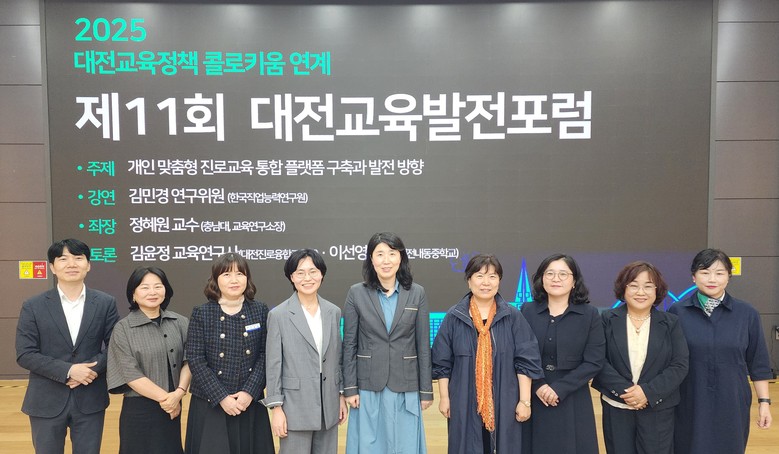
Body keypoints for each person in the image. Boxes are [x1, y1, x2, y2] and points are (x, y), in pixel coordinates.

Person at [15, 238, 119, 454]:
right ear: (52, 267)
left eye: (78, 258)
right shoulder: (33, 305)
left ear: (88, 265)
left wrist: (88, 371)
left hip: (90, 398)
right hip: (46, 399)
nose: (71, 264)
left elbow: (116, 347)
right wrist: (69, 370)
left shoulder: (105, 302)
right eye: (63, 259)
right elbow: (25, 353)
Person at [432, 254, 543, 454]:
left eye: (492, 276)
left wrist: (524, 401)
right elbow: (442, 362)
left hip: (505, 402)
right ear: (469, 281)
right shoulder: (454, 317)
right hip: (463, 401)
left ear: (499, 281)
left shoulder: (512, 316)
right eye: (480, 276)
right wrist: (445, 398)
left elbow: (526, 360)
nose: (486, 282)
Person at [668, 248, 773, 453]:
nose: (712, 279)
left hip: (732, 400)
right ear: (693, 276)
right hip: (690, 400)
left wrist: (764, 402)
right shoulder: (677, 312)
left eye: (719, 273)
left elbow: (758, 362)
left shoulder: (747, 314)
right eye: (705, 272)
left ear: (728, 277)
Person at [342, 232, 433, 453]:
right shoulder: (356, 293)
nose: (386, 260)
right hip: (368, 386)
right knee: (370, 445)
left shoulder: (417, 293)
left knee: (404, 445)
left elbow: (423, 345)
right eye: (380, 254)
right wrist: (350, 388)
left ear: (401, 258)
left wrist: (426, 391)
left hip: (406, 385)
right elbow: (349, 344)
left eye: (392, 254)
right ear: (371, 259)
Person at [592, 261, 688, 454]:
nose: (641, 292)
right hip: (617, 407)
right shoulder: (606, 320)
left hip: (658, 408)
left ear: (657, 290)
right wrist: (627, 393)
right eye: (634, 285)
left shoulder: (670, 323)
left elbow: (679, 364)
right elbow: (598, 360)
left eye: (648, 286)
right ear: (623, 288)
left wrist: (647, 393)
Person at [184, 253, 273, 454]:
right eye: (226, 274)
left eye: (240, 274)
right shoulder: (202, 313)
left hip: (248, 402)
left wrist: (249, 392)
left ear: (247, 278)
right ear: (215, 280)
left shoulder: (259, 310)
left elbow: (265, 355)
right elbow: (196, 359)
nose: (234, 280)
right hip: (210, 402)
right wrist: (221, 397)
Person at [262, 249, 348, 453]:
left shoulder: (333, 312)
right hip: (294, 408)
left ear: (321, 275)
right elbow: (273, 364)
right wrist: (276, 408)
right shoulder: (279, 315)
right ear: (291, 277)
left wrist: (340, 395)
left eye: (313, 271)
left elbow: (338, 357)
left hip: (329, 407)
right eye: (300, 273)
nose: (307, 278)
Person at [520, 253, 605, 454]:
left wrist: (559, 388)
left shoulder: (589, 314)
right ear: (542, 279)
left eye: (563, 274)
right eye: (550, 273)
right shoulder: (527, 311)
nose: (556, 279)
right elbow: (520, 353)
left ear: (574, 281)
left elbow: (594, 361)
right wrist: (539, 385)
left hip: (573, 396)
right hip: (534, 393)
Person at [107, 266, 191, 454]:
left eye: (158, 286)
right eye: (144, 287)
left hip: (173, 406)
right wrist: (167, 399)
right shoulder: (123, 328)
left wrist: (178, 393)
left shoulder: (180, 322)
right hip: (140, 409)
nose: (152, 292)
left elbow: (189, 361)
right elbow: (130, 373)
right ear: (133, 294)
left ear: (166, 290)